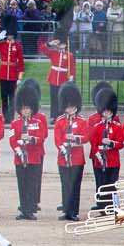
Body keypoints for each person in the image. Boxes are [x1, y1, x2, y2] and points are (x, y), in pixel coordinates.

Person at [7, 79, 49, 220]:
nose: (25, 110)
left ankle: (30, 209)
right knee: (22, 184)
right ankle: (23, 209)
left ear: (32, 108)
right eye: (23, 108)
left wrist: (30, 138)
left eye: (28, 108)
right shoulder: (15, 123)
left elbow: (41, 137)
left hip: (34, 157)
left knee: (32, 183)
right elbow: (12, 140)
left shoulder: (37, 122)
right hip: (20, 157)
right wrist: (18, 149)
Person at [53, 83, 88, 221]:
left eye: (72, 106)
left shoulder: (81, 121)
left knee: (75, 186)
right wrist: (63, 147)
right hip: (63, 157)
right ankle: (67, 210)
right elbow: (57, 139)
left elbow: (86, 137)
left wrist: (75, 140)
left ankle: (74, 211)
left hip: (77, 158)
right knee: (65, 185)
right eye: (68, 106)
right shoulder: (60, 121)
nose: (70, 109)